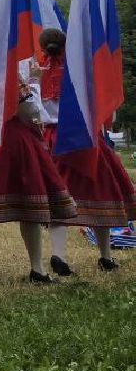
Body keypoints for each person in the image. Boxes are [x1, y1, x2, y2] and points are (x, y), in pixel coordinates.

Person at [0, 21, 77, 283]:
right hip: (11, 138)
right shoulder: (3, 69)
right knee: (30, 206)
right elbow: (27, 109)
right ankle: (37, 269)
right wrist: (33, 85)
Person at [35, 28, 135, 275]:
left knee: (59, 197)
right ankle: (105, 256)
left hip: (52, 141)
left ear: (43, 47)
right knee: (99, 194)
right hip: (83, 137)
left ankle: (59, 255)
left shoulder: (35, 73)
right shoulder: (79, 73)